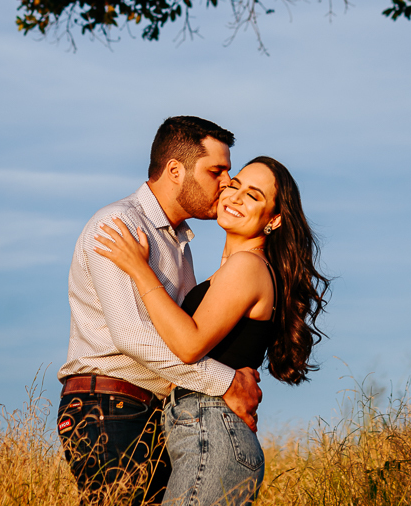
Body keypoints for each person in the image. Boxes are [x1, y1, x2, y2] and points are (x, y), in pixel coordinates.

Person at [94, 155, 329, 506]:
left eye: (253, 195)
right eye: (234, 186)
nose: (235, 196)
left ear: (274, 219)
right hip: (200, 431)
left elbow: (188, 345)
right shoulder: (224, 274)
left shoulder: (247, 267)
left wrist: (139, 270)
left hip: (213, 431)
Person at [57, 116, 263, 506]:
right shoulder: (118, 225)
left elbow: (185, 335)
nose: (226, 184)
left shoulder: (178, 242)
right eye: (216, 171)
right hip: (110, 409)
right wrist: (226, 382)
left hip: (154, 415)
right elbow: (132, 337)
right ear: (175, 170)